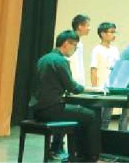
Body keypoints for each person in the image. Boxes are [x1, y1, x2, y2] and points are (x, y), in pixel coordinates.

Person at [29, 30, 100, 161]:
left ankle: (74, 153)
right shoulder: (60, 61)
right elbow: (72, 87)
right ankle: (89, 156)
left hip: (38, 110)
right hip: (51, 109)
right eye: (75, 46)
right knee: (91, 115)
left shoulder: (44, 58)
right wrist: (88, 89)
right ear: (67, 43)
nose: (75, 50)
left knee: (79, 113)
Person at [89, 22, 119, 126]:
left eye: (114, 32)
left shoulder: (115, 49)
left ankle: (104, 137)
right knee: (99, 116)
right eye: (111, 32)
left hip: (112, 86)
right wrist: (94, 88)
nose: (113, 34)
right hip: (101, 87)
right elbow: (93, 69)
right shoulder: (97, 50)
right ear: (102, 34)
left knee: (107, 116)